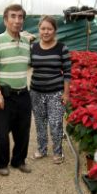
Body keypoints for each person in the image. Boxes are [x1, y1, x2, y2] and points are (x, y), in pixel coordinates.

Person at [0, 4, 33, 176]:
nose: (17, 20)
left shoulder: (26, 42)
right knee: (1, 133)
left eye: (20, 17)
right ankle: (1, 164)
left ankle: (19, 161)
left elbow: (29, 64)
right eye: (13, 16)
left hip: (23, 94)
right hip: (5, 96)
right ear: (5, 20)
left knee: (23, 131)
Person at [29, 15, 71, 164]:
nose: (46, 32)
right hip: (36, 92)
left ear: (55, 31)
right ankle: (41, 149)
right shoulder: (33, 47)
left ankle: (58, 152)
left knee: (55, 123)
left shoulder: (61, 48)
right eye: (43, 28)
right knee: (40, 123)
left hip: (55, 93)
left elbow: (67, 72)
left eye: (49, 29)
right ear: (39, 29)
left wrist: (66, 93)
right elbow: (26, 65)